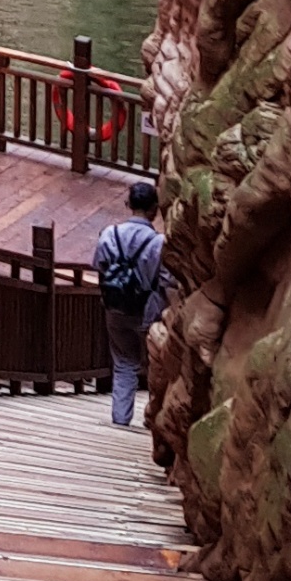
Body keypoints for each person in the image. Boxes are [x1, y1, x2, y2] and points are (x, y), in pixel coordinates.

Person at [95, 179, 168, 429]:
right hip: (147, 311)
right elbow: (167, 279)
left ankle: (120, 418)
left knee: (124, 362)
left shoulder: (109, 234)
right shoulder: (159, 243)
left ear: (129, 204)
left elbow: (100, 266)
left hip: (115, 308)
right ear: (154, 209)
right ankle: (154, 418)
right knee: (155, 364)